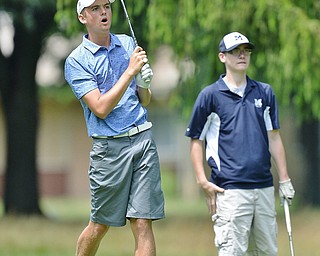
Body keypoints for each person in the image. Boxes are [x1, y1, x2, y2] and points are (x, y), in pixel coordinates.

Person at [64, 0, 165, 255]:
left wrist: (144, 82)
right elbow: (100, 107)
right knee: (99, 225)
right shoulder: (76, 61)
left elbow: (144, 99)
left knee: (143, 222)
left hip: (142, 138)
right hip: (110, 149)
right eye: (95, 8)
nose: (103, 12)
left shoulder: (127, 44)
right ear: (82, 17)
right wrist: (131, 72)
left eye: (106, 6)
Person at [185, 32, 295, 255]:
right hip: (230, 191)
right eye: (235, 51)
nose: (242, 55)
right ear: (222, 57)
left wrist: (284, 179)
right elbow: (196, 140)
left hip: (264, 188)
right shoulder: (210, 96)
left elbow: (273, 136)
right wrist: (201, 180)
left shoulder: (264, 92)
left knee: (267, 252)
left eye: (246, 50)